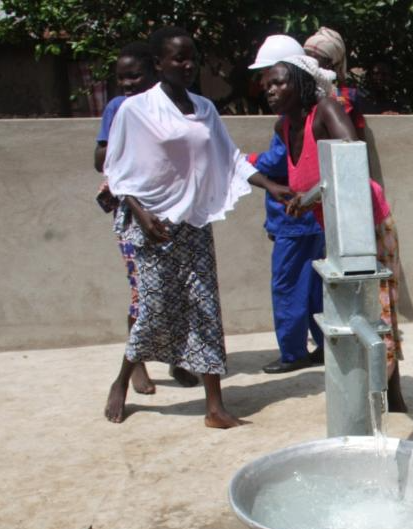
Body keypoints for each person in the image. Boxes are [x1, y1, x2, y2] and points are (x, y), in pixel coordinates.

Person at [103, 26, 291, 427]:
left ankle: (214, 407)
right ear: (159, 63)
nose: (188, 65)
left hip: (193, 224)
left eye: (192, 57)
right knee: (153, 308)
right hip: (152, 224)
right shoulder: (136, 110)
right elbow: (117, 170)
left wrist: (271, 186)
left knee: (205, 309)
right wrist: (141, 214)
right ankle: (122, 379)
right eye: (179, 58)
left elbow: (230, 158)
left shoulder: (204, 108)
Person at [265, 54, 408, 412]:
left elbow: (350, 159)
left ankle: (386, 395)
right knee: (357, 313)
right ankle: (383, 394)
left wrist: (308, 198)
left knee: (378, 309)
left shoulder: (325, 110)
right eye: (267, 84)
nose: (271, 90)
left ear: (301, 83)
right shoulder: (284, 128)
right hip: (338, 230)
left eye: (279, 82)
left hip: (369, 223)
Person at [94, 42, 201, 397]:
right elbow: (102, 159)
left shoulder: (174, 105)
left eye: (134, 76)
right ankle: (134, 363)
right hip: (136, 215)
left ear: (154, 72)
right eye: (121, 78)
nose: (127, 84)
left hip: (176, 210)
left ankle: (180, 357)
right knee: (144, 292)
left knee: (182, 291)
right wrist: (128, 142)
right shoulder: (121, 108)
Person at [246, 35, 326, 374]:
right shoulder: (297, 118)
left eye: (274, 78)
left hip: (296, 219)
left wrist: (247, 161)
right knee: (314, 286)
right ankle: (325, 345)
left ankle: (293, 352)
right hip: (307, 217)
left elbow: (276, 162)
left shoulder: (296, 121)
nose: (268, 85)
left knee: (289, 286)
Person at [303, 27, 366, 134]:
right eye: (305, 57)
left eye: (314, 58)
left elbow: (357, 133)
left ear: (329, 63)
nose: (307, 62)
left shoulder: (346, 95)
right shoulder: (299, 91)